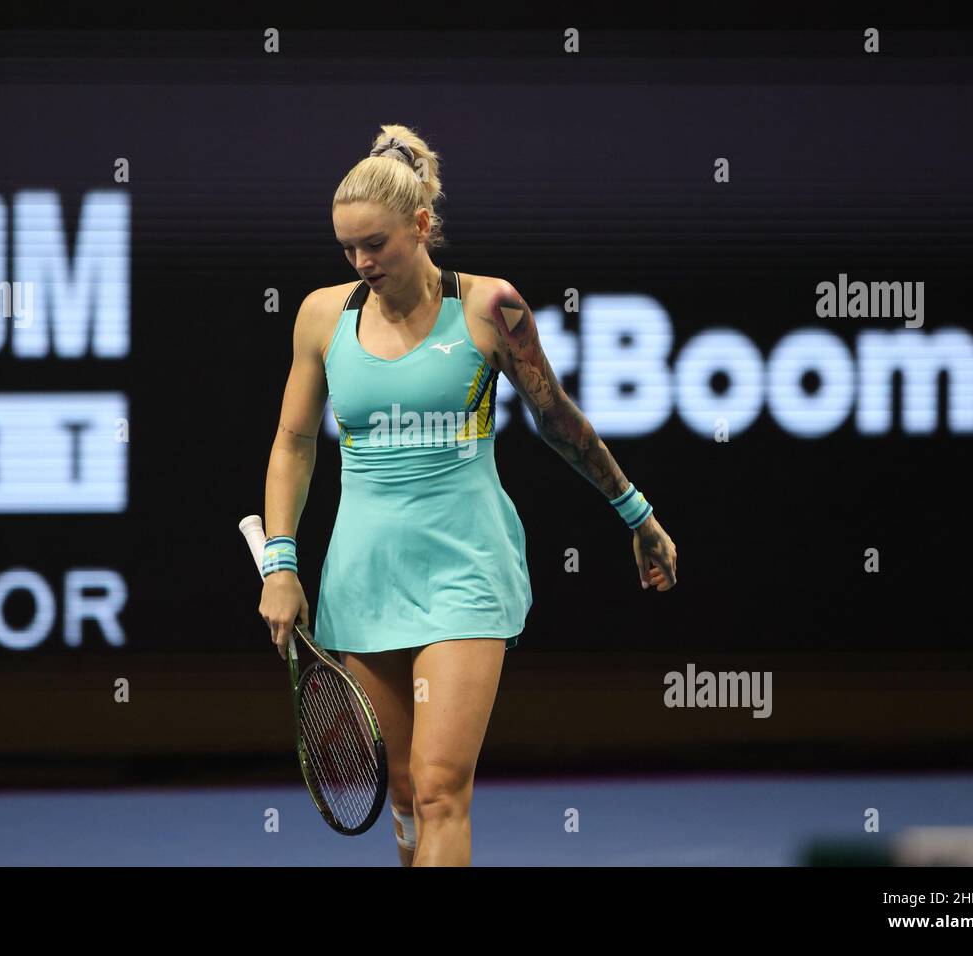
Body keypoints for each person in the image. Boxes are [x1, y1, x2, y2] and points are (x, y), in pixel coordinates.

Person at [259, 124, 677, 867]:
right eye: (347, 248)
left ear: (421, 226)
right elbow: (293, 443)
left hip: (467, 568)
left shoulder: (492, 308)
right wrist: (281, 564)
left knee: (441, 787)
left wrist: (634, 512)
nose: (362, 262)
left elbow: (558, 420)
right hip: (363, 575)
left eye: (376, 244)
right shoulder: (323, 316)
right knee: (401, 794)